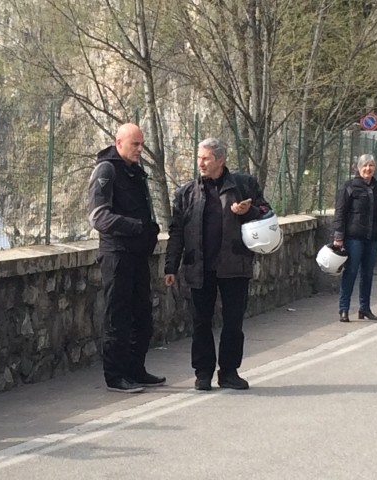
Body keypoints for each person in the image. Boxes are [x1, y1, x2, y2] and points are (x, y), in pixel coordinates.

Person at [164, 138, 272, 391]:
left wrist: (247, 211)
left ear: (220, 160)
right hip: (199, 266)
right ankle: (203, 373)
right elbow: (177, 231)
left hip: (235, 265)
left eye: (206, 158)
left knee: (233, 322)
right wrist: (171, 266)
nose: (200, 163)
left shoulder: (244, 185)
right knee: (201, 323)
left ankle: (229, 372)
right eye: (199, 158)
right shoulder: (186, 193)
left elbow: (266, 212)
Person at [87, 123, 164, 394]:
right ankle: (115, 376)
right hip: (116, 254)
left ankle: (135, 369)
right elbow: (98, 216)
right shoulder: (106, 170)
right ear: (119, 143)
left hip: (138, 254)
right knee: (117, 317)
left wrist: (150, 229)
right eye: (135, 144)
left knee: (142, 315)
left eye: (142, 144)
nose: (140, 149)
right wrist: (136, 226)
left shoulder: (135, 171)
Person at [332, 153, 377, 322]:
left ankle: (365, 308)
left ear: (375, 168)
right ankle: (344, 309)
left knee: (368, 274)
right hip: (353, 238)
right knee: (350, 272)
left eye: (371, 165)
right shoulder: (349, 187)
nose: (368, 169)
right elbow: (340, 212)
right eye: (365, 165)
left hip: (372, 238)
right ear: (358, 168)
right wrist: (338, 236)